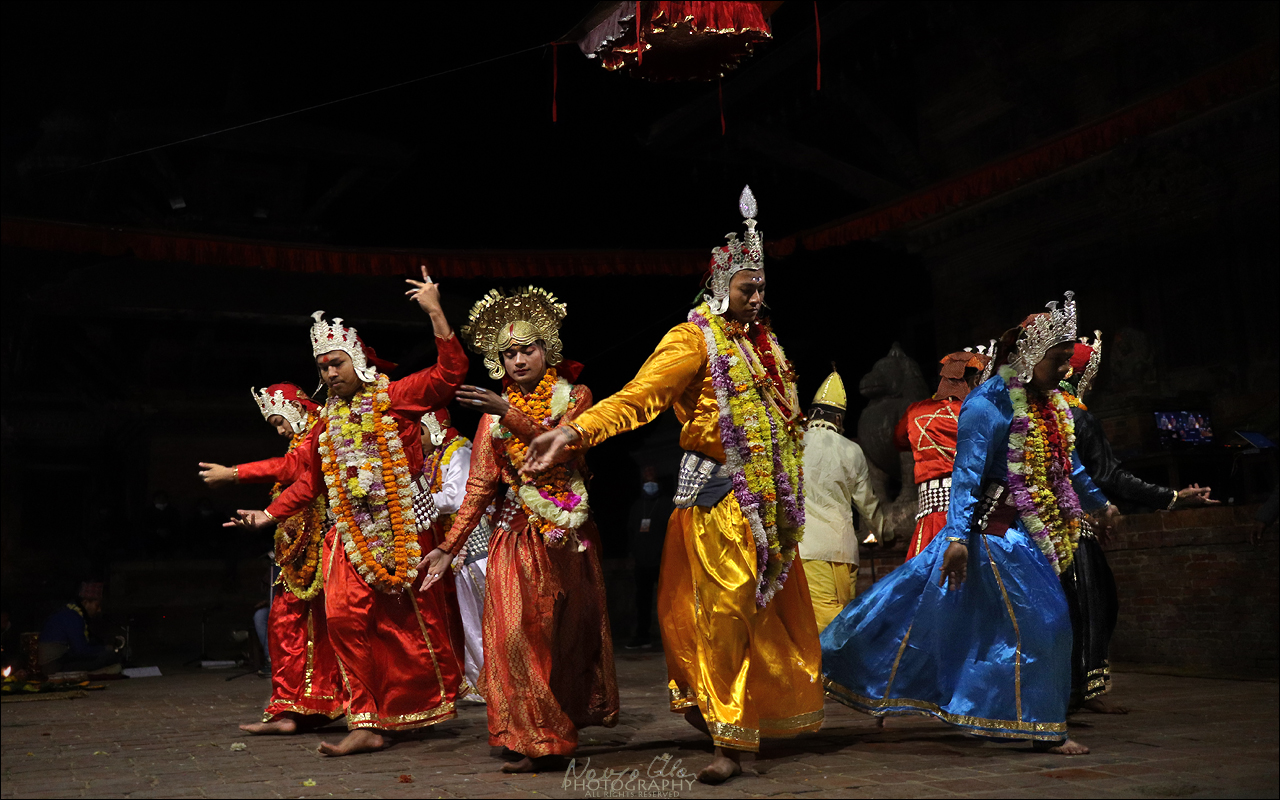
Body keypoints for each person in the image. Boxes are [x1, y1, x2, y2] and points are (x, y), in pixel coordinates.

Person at [522, 187, 824, 785]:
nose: (758, 297)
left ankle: (743, 716)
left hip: (770, 506)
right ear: (720, 287)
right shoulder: (693, 340)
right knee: (723, 613)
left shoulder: (765, 345)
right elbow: (640, 398)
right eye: (747, 288)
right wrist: (572, 433)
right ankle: (727, 740)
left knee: (762, 618)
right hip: (717, 500)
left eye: (762, 287)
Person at [821, 292, 1118, 756]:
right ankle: (1044, 728)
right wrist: (957, 537)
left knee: (971, 626)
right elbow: (966, 475)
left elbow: (1068, 464)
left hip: (1028, 532)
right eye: (1059, 360)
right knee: (1047, 621)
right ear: (1030, 356)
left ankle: (1000, 713)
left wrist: (1100, 504)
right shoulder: (988, 404)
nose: (1066, 370)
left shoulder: (1050, 403)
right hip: (991, 532)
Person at [229, 268, 467, 756]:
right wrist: (269, 516)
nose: (329, 374)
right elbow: (311, 481)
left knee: (401, 629)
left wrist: (436, 312)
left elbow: (449, 375)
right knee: (341, 619)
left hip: (399, 531)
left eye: (337, 363)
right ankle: (365, 719)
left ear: (357, 360)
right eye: (322, 368)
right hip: (347, 536)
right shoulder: (326, 422)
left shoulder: (395, 398)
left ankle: (403, 714)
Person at [420, 285, 619, 774]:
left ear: (546, 349)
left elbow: (561, 446)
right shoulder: (492, 422)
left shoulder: (574, 397)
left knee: (566, 637)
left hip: (568, 536)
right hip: (516, 538)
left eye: (527, 348)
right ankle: (531, 734)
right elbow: (481, 487)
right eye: (508, 353)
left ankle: (555, 724)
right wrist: (449, 546)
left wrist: (504, 410)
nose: (518, 359)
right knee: (513, 638)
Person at [1059, 335, 1216, 714]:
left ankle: (1077, 690)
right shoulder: (1074, 416)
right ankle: (1073, 693)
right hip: (1070, 527)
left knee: (1082, 607)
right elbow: (1108, 475)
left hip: (1046, 524)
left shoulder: (1046, 412)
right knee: (1092, 606)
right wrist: (1172, 497)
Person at [199, 382, 346, 733]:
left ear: (297, 410)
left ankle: (326, 707)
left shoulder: (321, 433)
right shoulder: (303, 440)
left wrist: (233, 474)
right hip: (299, 551)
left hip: (330, 547)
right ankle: (290, 711)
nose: (280, 430)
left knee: (325, 630)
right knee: (285, 626)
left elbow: (292, 469)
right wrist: (265, 515)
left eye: (281, 421)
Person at [800, 366, 883, 632]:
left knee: (823, 625)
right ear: (839, 419)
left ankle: (833, 674)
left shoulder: (795, 442)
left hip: (807, 548)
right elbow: (867, 502)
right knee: (842, 616)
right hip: (845, 550)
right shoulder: (853, 450)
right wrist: (886, 532)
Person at [895, 348, 993, 558]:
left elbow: (899, 440)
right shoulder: (977, 410)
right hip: (970, 514)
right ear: (974, 381)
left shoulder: (916, 411)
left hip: (931, 515)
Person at [420, 408, 485, 702]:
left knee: (484, 615)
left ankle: (495, 681)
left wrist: (408, 500)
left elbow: (454, 498)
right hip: (455, 549)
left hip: (475, 545)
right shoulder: (433, 459)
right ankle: (478, 683)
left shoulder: (459, 452)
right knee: (467, 618)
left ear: (434, 429)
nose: (415, 439)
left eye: (419, 432)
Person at [626, 465, 673, 649]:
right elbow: (630, 531)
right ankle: (642, 635)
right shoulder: (638, 505)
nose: (649, 477)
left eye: (652, 473)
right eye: (646, 474)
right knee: (642, 601)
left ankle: (670, 638)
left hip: (662, 559)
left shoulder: (666, 503)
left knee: (666, 600)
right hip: (642, 561)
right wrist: (632, 554)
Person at [38, 582, 122, 676]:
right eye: (97, 606)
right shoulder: (73, 616)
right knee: (109, 656)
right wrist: (105, 648)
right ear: (85, 602)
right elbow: (80, 650)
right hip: (55, 666)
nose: (99, 610)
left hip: (59, 662)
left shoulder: (70, 613)